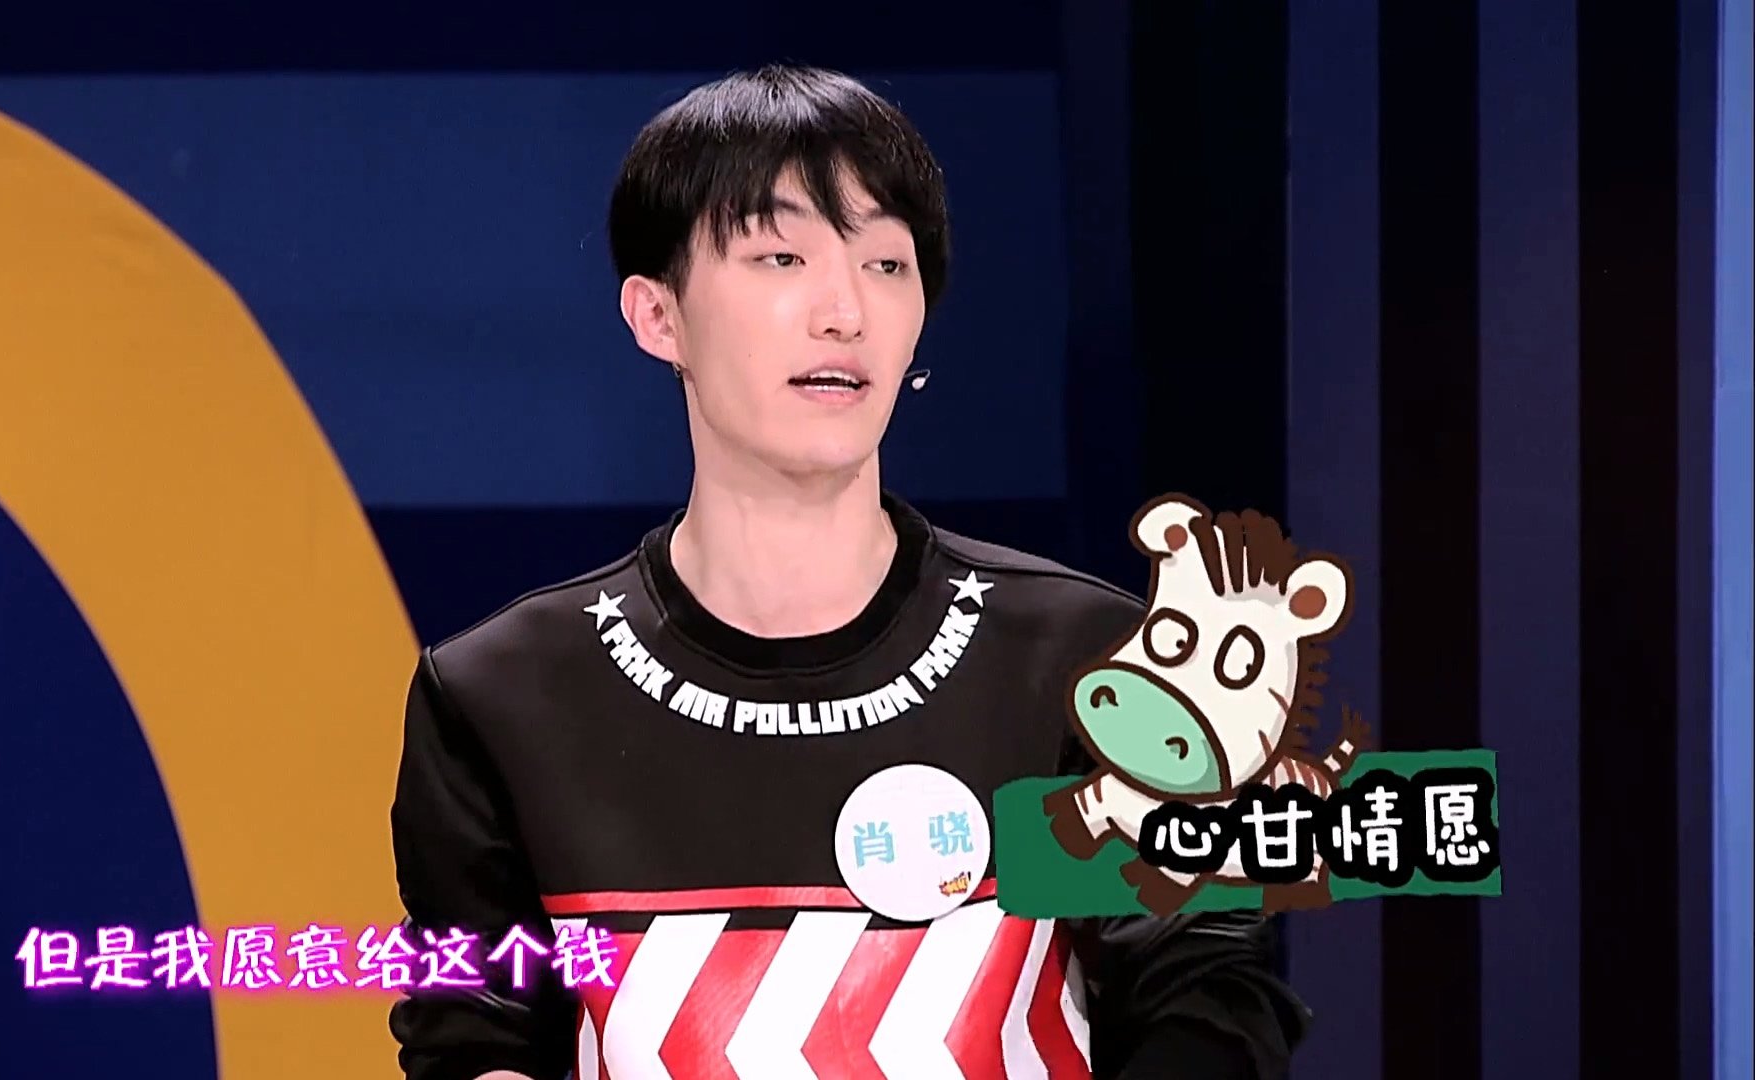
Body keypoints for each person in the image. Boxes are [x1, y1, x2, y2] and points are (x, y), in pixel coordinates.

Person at [387, 64, 1310, 1079]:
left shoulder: (1094, 665)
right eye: (781, 256)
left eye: (884, 263)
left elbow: (1209, 985)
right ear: (658, 317)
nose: (844, 311)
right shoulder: (501, 697)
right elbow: (471, 1034)